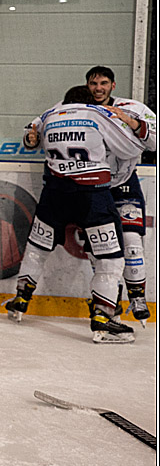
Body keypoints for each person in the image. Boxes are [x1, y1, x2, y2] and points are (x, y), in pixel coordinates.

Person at [6, 86, 147, 343]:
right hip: (92, 195)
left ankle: (20, 299)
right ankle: (103, 320)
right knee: (110, 258)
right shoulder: (95, 114)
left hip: (54, 195)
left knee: (38, 246)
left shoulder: (49, 116)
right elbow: (129, 149)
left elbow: (31, 140)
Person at [84, 66, 155, 322]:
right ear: (88, 86)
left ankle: (137, 298)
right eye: (94, 83)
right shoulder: (81, 110)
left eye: (103, 83)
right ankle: (109, 302)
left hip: (125, 183)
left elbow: (156, 141)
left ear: (113, 85)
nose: (98, 88)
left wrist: (130, 121)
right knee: (99, 250)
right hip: (92, 187)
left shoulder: (133, 107)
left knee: (132, 244)